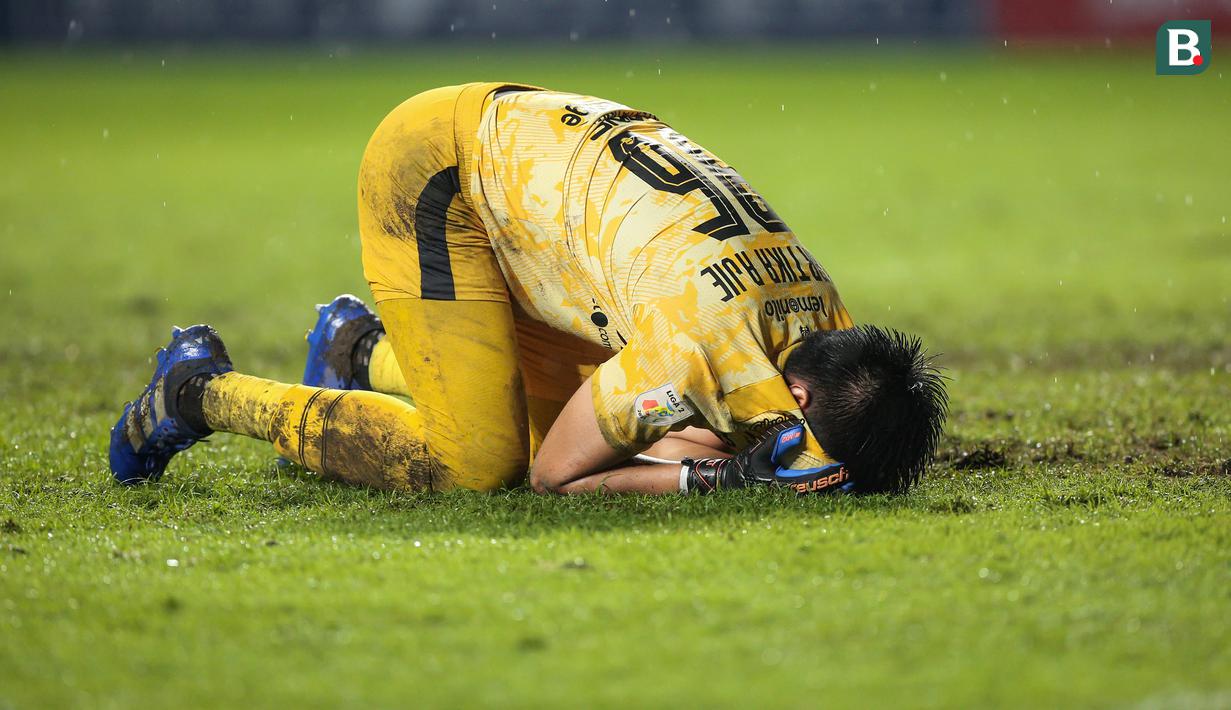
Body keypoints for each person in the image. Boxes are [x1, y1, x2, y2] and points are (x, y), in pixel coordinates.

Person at [109, 82, 947, 496]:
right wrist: (708, 481)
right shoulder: (696, 348)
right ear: (799, 396)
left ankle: (356, 353)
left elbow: (696, 416)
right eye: (817, 463)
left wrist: (729, 454)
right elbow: (557, 479)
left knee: (573, 426)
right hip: (444, 173)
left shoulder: (819, 318)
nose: (810, 476)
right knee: (480, 465)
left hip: (536, 177)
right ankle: (196, 391)